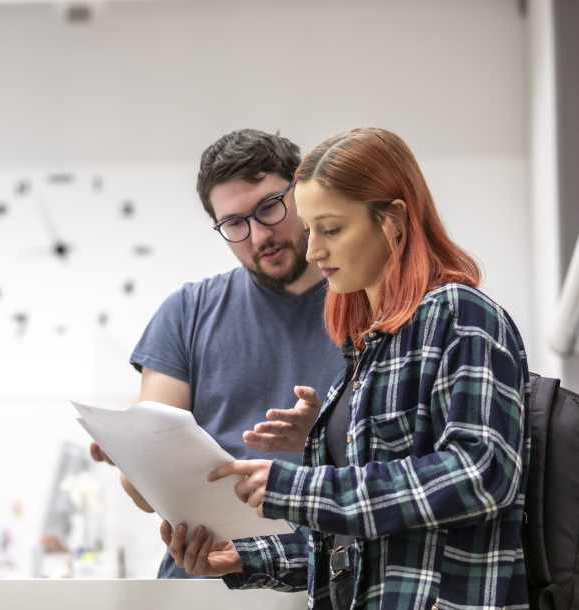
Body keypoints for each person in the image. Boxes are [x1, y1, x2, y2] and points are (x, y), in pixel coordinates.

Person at [160, 127, 531, 610]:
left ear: (393, 221)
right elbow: (353, 545)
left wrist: (297, 486)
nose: (314, 251)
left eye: (331, 229)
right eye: (311, 230)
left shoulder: (457, 314)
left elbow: (481, 474)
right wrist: (247, 558)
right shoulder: (366, 349)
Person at [89, 129, 345, 579]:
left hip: (325, 577)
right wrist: (133, 454)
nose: (259, 234)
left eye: (269, 206)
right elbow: (144, 495)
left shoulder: (368, 308)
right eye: (234, 223)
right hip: (207, 577)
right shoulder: (186, 312)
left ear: (302, 191)